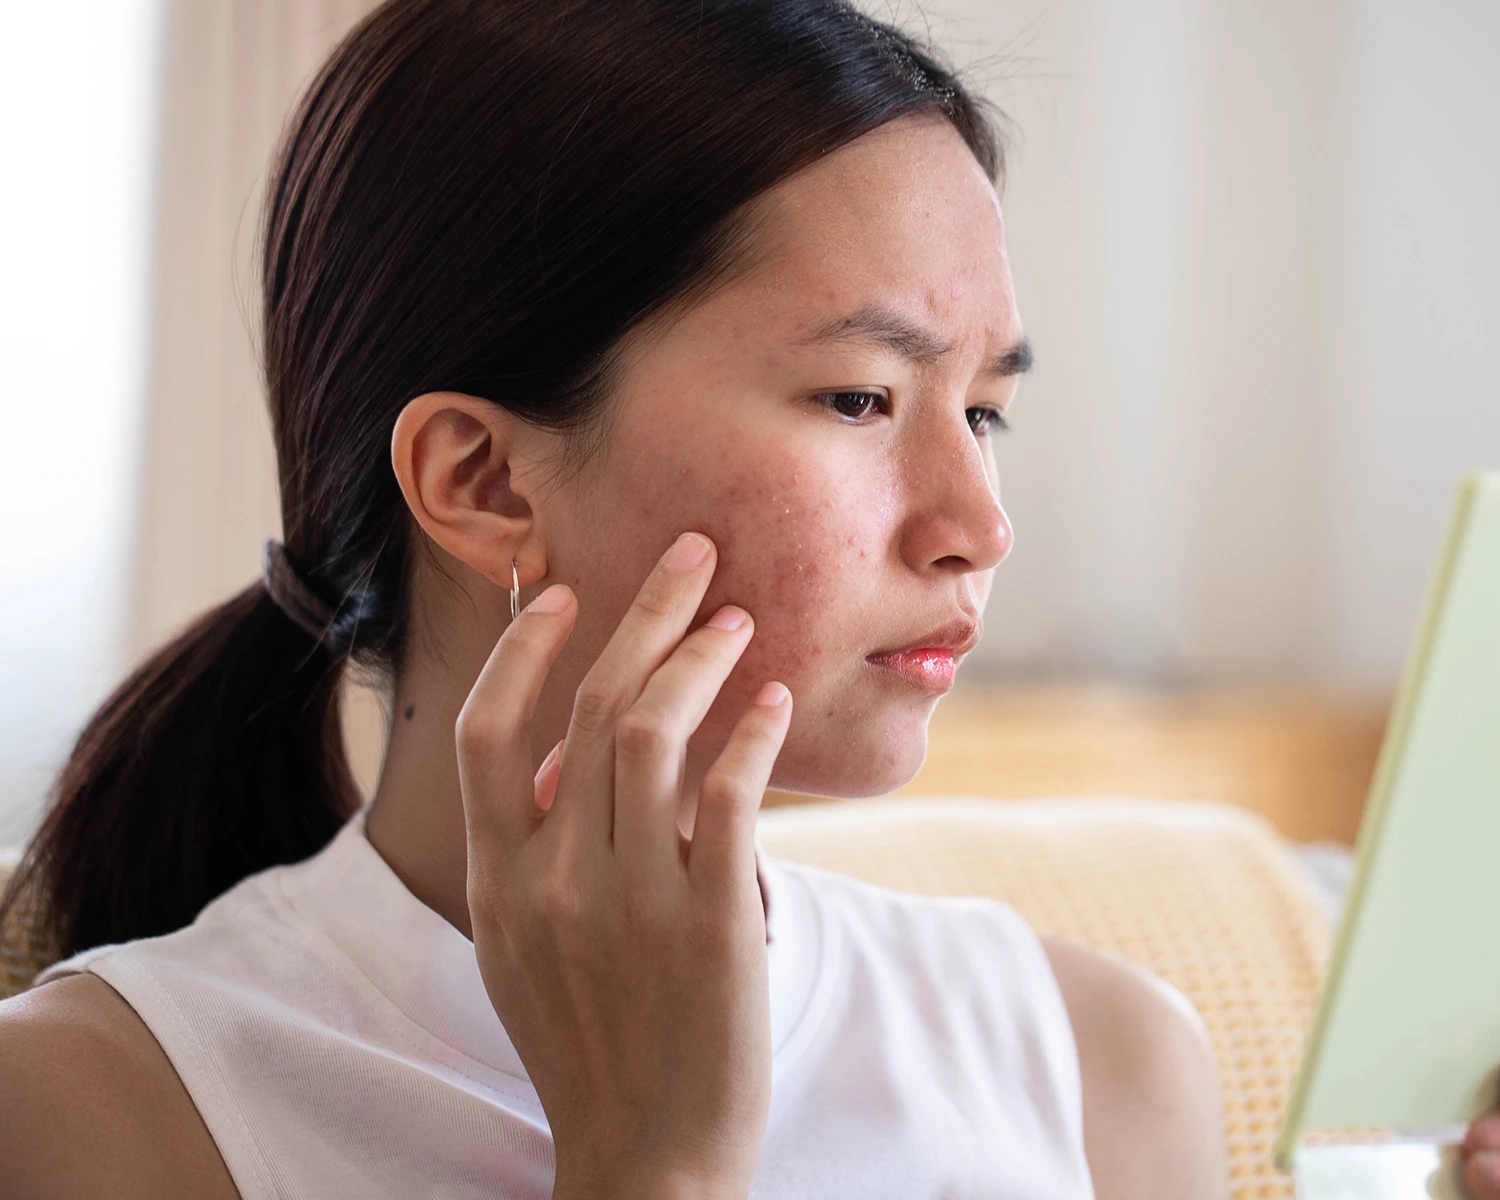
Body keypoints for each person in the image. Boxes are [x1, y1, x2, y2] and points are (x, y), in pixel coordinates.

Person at [0, 1, 1494, 1197]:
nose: (981, 523)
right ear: (482, 479)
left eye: (982, 411)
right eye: (858, 397)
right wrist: (653, 1173)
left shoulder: (1099, 1063)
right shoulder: (96, 1113)